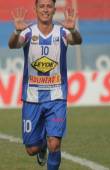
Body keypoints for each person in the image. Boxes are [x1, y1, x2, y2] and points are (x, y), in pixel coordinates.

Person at [8, 0, 82, 169]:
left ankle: (48, 150)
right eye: (42, 6)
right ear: (35, 9)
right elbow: (14, 45)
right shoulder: (27, 32)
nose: (45, 10)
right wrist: (15, 32)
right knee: (31, 149)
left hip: (57, 97)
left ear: (54, 9)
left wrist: (73, 29)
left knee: (55, 143)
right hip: (32, 97)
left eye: (49, 6)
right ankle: (41, 148)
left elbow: (77, 40)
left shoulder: (62, 32)